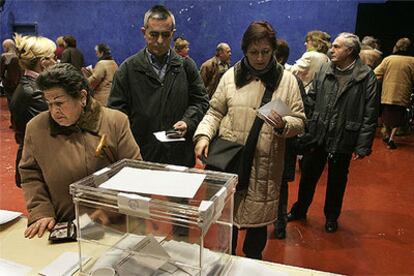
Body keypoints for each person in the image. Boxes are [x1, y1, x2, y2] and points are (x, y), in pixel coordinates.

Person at [193, 21, 305, 259]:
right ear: (245, 50)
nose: (261, 58)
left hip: (265, 168)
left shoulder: (288, 81)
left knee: (256, 234)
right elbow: (214, 112)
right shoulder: (229, 77)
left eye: (266, 52)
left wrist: (285, 125)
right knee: (227, 230)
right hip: (230, 162)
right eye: (254, 52)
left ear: (273, 50)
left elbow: (300, 120)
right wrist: (203, 135)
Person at [20, 63, 142, 239]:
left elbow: (134, 172)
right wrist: (41, 211)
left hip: (114, 225)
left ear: (82, 97)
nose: (54, 111)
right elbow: (30, 173)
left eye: (59, 103)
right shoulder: (36, 128)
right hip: (64, 226)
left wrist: (107, 209)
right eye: (49, 103)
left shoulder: (115, 121)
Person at [288, 33, 380, 233]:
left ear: (350, 51)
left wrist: (362, 145)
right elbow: (312, 97)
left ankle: (331, 217)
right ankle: (299, 210)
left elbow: (370, 113)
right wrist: (307, 124)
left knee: (337, 181)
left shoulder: (366, 77)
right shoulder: (324, 69)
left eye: (337, 47)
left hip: (344, 136)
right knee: (308, 176)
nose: (332, 49)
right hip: (318, 133)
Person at [108, 5, 209, 168]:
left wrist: (187, 121)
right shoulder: (128, 69)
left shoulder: (186, 66)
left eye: (165, 35)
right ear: (144, 32)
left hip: (180, 156)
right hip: (141, 156)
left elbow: (201, 102)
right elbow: (116, 113)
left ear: (173, 34)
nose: (160, 41)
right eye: (154, 34)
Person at [273, 38, 308, 239]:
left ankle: (279, 225)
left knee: (280, 185)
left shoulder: (292, 82)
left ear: (278, 57)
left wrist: (283, 122)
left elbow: (301, 116)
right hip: (274, 144)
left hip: (284, 143)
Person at [10, 34, 56, 187]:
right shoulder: (34, 92)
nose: (56, 61)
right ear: (43, 62)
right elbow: (52, 127)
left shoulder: (31, 86)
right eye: (53, 57)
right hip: (37, 162)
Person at [374, 38, 414, 149]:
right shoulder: (412, 61)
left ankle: (386, 134)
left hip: (388, 93)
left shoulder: (388, 59)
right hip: (403, 93)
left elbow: (376, 73)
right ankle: (392, 138)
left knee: (386, 114)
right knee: (399, 117)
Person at [1, 38, 22, 111]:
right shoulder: (20, 55)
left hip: (9, 83)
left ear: (6, 47)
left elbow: (1, 72)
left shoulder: (4, 56)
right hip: (21, 82)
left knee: (11, 102)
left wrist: (3, 80)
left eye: (4, 47)